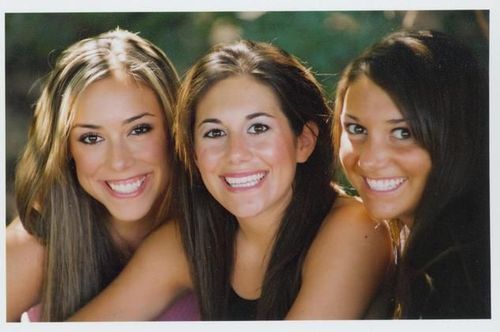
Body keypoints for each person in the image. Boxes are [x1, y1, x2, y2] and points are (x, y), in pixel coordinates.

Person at [69, 39, 392, 321]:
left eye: (258, 128)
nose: (236, 153)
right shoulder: (190, 240)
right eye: (215, 133)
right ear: (193, 154)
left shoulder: (356, 228)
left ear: (303, 142)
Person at [6, 28, 199, 322]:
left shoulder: (216, 227)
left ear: (174, 128)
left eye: (139, 130)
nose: (119, 161)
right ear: (65, 149)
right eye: (91, 138)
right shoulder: (37, 244)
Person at [333, 30, 490, 318]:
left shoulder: (465, 271)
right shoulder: (414, 243)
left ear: (457, 135)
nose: (369, 161)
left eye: (403, 133)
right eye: (356, 129)